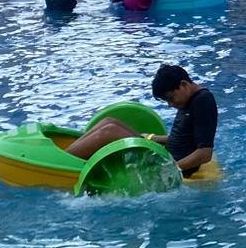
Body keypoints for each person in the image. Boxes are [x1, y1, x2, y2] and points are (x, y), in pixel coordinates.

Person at [64, 64, 218, 178]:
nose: (170, 105)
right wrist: (154, 138)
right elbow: (185, 138)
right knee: (109, 121)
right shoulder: (189, 99)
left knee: (110, 131)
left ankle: (63, 163)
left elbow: (205, 153)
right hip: (165, 154)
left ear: (183, 85)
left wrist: (171, 168)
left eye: (170, 98)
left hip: (166, 163)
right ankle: (67, 154)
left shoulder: (202, 102)